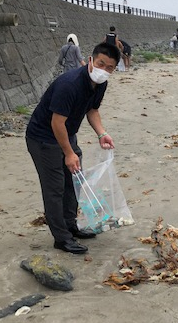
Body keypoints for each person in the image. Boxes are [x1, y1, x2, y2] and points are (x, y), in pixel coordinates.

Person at [26, 42, 122, 254]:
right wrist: (69, 153)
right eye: (101, 64)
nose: (104, 70)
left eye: (110, 68)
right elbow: (56, 122)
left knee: (74, 181)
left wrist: (102, 133)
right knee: (55, 188)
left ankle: (71, 225)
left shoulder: (100, 84)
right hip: (43, 138)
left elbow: (92, 110)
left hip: (67, 134)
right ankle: (61, 238)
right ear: (90, 60)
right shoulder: (69, 84)